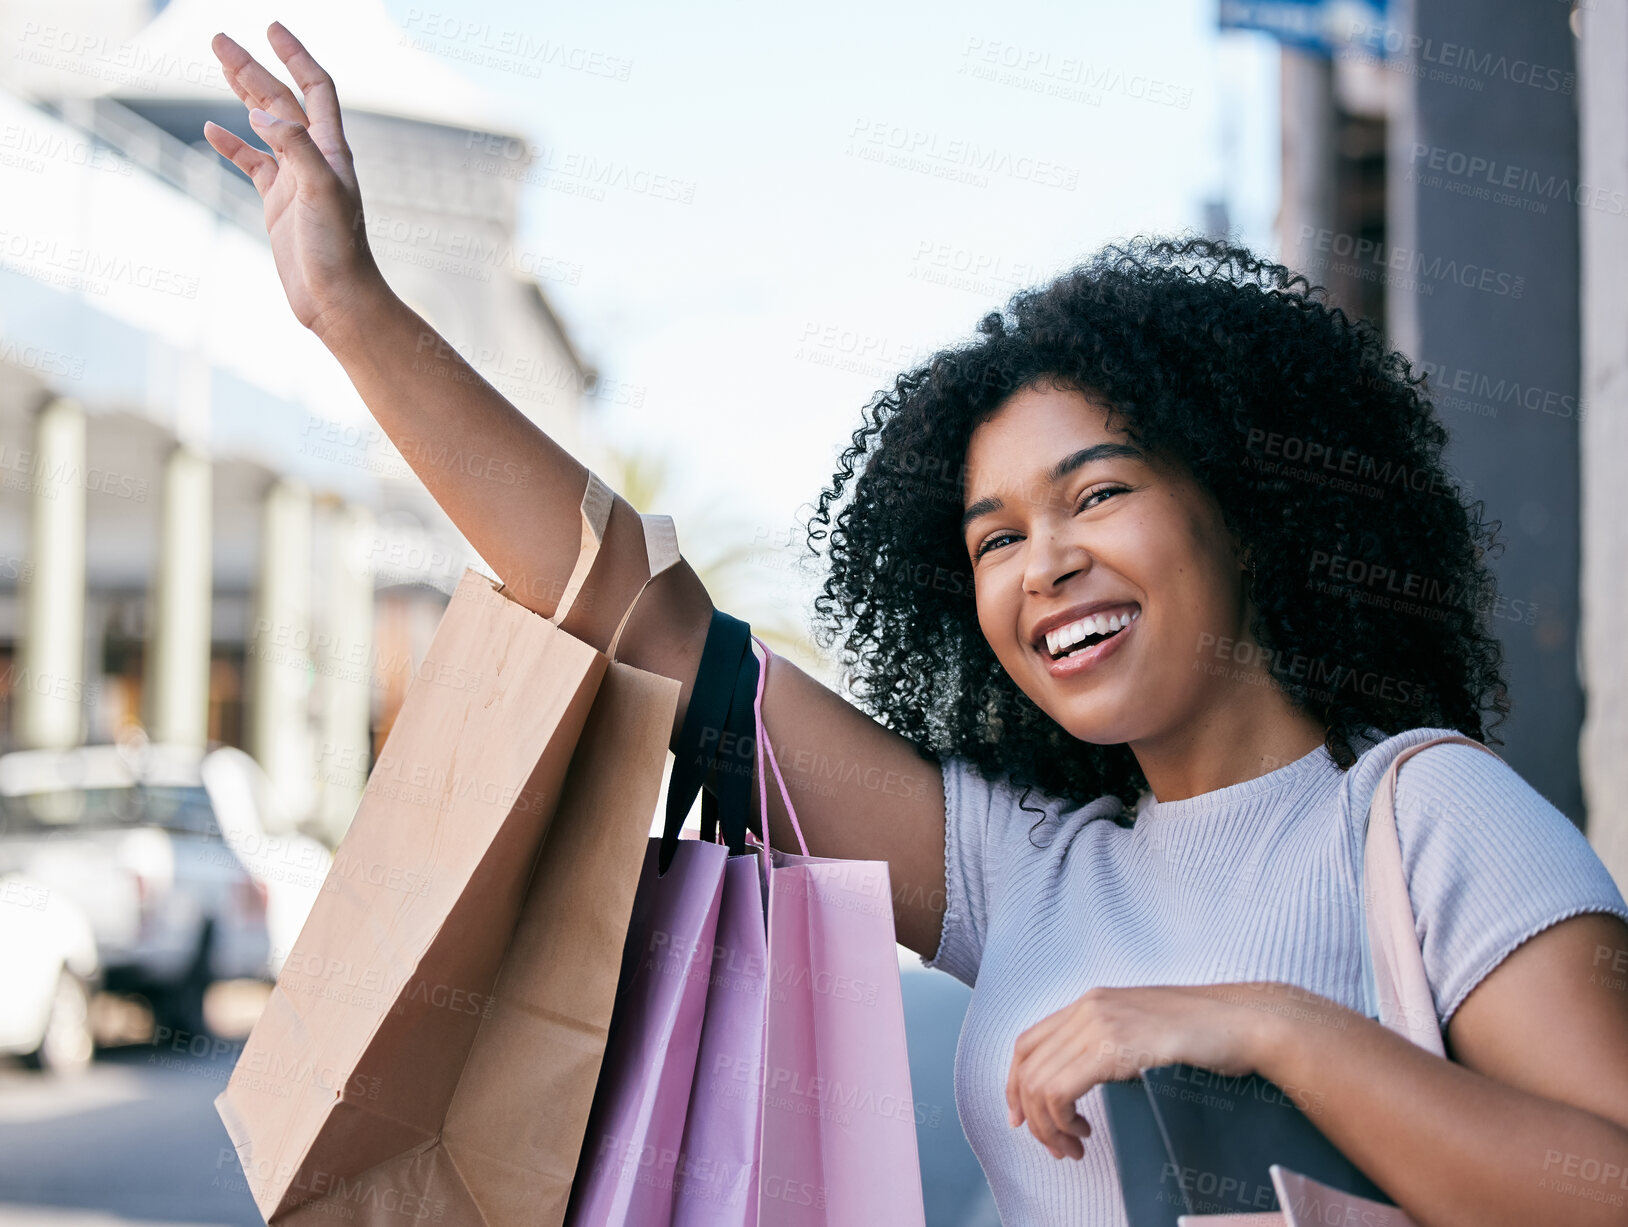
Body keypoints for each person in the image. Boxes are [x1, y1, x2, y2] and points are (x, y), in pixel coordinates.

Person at [204, 23, 1628, 1226]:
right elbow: (650, 626)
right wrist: (349, 310)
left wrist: (1268, 1027)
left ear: (1246, 511)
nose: (1044, 563)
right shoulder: (1028, 868)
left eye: (1100, 494)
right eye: (995, 538)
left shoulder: (1428, 817)